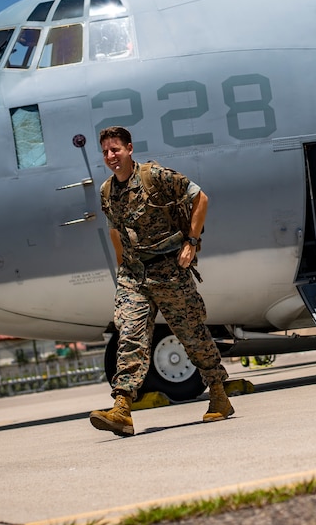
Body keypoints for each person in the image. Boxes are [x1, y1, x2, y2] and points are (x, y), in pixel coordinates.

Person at [89, 126, 233, 436]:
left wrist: (191, 242)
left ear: (129, 148)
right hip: (134, 275)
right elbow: (115, 231)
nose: (111, 157)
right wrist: (122, 272)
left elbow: (201, 199)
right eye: (105, 152)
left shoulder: (155, 176)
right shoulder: (106, 191)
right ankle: (122, 409)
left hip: (169, 269)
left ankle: (219, 396)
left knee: (192, 334)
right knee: (129, 336)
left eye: (115, 150)